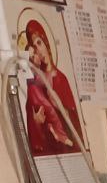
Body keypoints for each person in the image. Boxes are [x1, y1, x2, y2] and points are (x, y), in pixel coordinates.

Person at [22, 17, 82, 157]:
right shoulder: (37, 81)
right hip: (49, 151)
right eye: (34, 47)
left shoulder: (60, 79)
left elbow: (74, 122)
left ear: (46, 42)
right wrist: (36, 121)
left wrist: (62, 109)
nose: (38, 50)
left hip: (67, 150)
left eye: (39, 43)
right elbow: (32, 114)